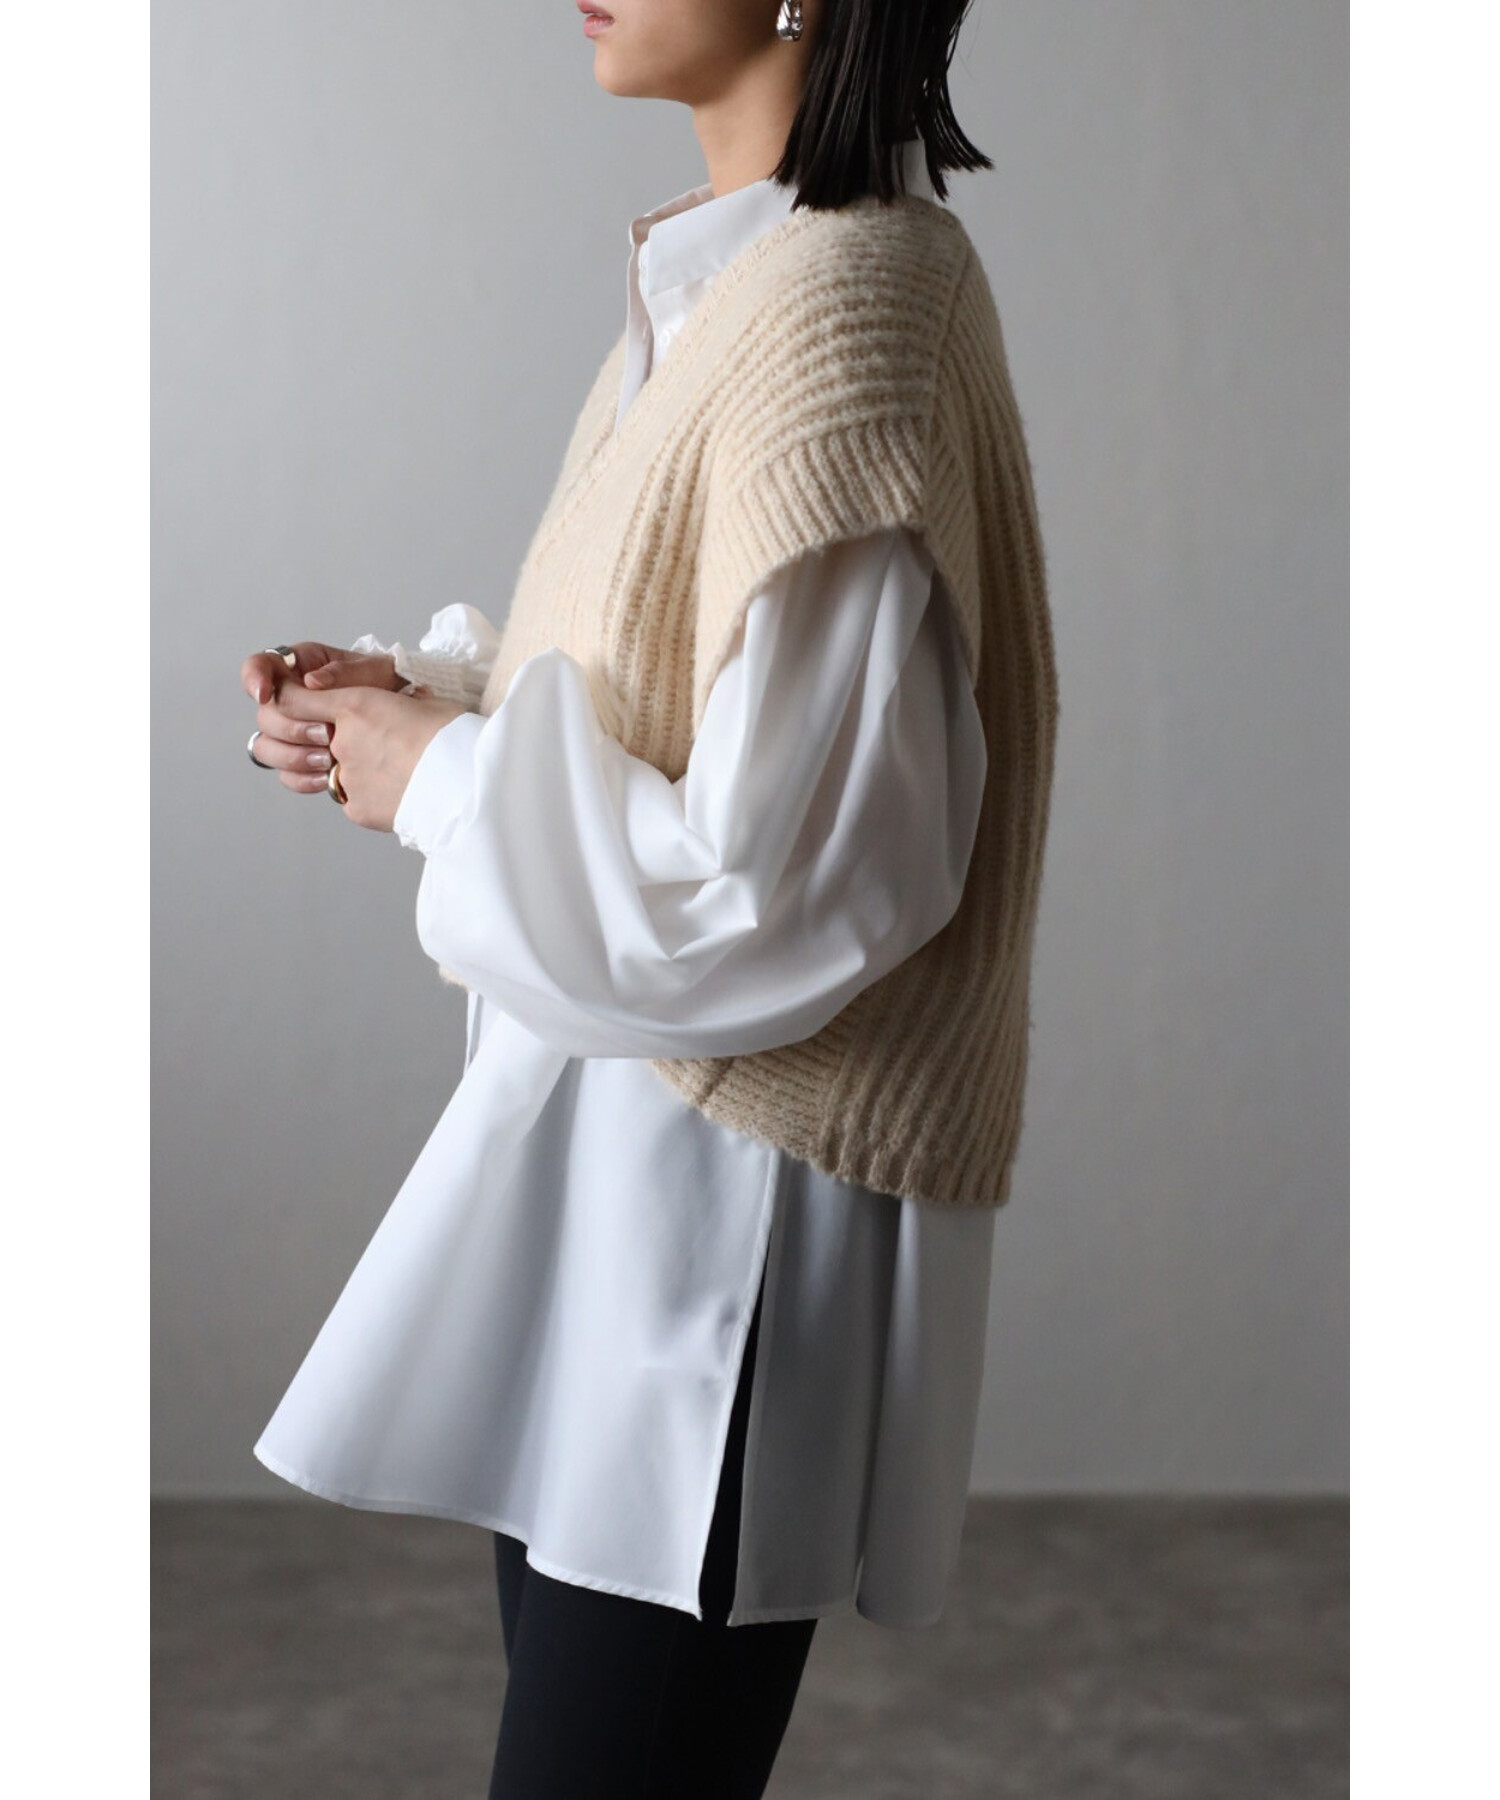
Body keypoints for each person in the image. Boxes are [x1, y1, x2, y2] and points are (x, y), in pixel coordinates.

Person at [241, 2, 1058, 1794]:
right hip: (608, 1197)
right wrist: (419, 711)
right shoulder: (737, 283)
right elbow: (674, 715)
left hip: (718, 1243)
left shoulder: (851, 308)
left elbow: (791, 884)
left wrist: (445, 782)